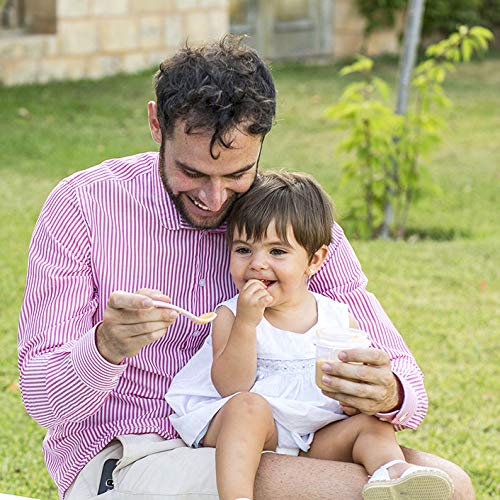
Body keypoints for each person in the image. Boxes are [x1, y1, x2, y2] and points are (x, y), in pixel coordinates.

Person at [17, 35, 473, 499]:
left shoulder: (292, 223)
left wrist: (388, 392)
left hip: (292, 441)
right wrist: (105, 346)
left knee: (451, 487)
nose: (214, 199)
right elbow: (41, 400)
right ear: (157, 124)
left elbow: (406, 380)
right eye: (192, 173)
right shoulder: (84, 205)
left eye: (237, 175)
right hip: (134, 453)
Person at [165, 170, 454, 500]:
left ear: (314, 261)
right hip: (258, 428)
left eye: (277, 252)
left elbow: (349, 390)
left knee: (373, 426)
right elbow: (231, 386)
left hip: (315, 435)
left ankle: (393, 473)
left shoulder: (336, 317)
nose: (258, 264)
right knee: (247, 408)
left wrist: (351, 400)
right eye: (243, 250)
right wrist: (247, 323)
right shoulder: (230, 315)